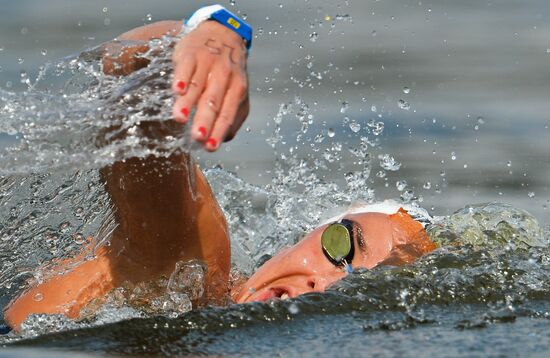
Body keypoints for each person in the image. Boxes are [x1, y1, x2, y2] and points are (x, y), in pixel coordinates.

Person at [1, 6, 437, 331]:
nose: (320, 287)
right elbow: (127, 85)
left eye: (359, 294)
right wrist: (212, 34)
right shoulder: (192, 274)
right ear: (308, 233)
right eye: (343, 247)